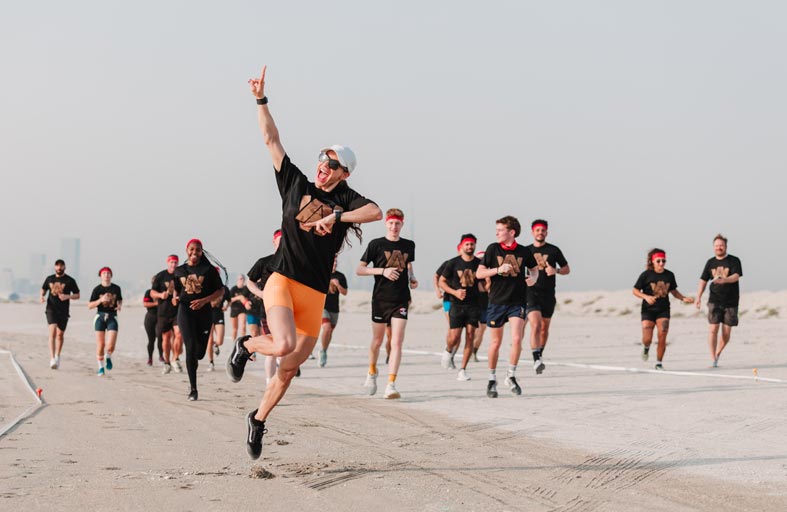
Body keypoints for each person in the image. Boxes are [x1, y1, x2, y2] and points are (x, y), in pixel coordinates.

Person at [226, 65, 382, 460]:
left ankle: (257, 418)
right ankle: (245, 344)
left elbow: (375, 212)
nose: (323, 165)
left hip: (314, 292)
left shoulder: (344, 199)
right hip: (283, 279)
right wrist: (261, 100)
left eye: (332, 163)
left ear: (344, 173)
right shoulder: (296, 183)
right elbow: (271, 138)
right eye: (322, 159)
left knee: (290, 366)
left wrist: (337, 217)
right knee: (282, 344)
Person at [357, 208, 418, 399]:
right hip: (380, 299)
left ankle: (391, 384)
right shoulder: (376, 244)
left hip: (401, 299)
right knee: (377, 341)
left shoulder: (409, 245)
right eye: (391, 223)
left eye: (397, 223)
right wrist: (382, 271)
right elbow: (360, 269)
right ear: (386, 224)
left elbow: (408, 264)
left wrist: (412, 277)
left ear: (402, 224)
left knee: (396, 342)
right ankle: (371, 372)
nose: (394, 227)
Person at [476, 216, 539, 398]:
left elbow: (534, 269)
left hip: (517, 302)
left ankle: (511, 376)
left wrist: (533, 278)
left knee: (517, 339)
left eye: (500, 230)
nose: (497, 233)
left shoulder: (524, 251)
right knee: (495, 342)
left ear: (511, 232)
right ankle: (491, 378)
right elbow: (479, 273)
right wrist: (498, 270)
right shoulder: (492, 249)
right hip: (496, 302)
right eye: (496, 230)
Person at [173, 239, 224, 400]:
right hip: (185, 311)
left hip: (204, 313)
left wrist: (204, 300)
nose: (194, 252)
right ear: (186, 250)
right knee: (190, 347)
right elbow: (176, 289)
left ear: (202, 252)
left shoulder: (209, 270)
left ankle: (195, 359)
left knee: (200, 353)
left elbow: (220, 290)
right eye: (192, 249)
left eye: (198, 250)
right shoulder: (179, 270)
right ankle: (193, 389)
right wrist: (175, 297)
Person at [632, 249, 693, 369]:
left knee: (662, 335)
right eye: (658, 261)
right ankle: (646, 347)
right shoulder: (646, 275)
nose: (661, 263)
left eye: (663, 261)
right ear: (652, 261)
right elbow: (635, 290)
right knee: (647, 338)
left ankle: (659, 363)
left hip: (663, 310)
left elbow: (673, 290)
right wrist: (646, 297)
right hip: (648, 310)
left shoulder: (669, 275)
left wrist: (683, 298)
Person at [525, 219, 570, 374]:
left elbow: (567, 269)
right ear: (532, 232)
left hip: (548, 295)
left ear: (547, 232)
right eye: (537, 230)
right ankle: (536, 358)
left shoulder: (554, 250)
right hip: (531, 293)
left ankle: (540, 354)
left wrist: (555, 271)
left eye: (543, 230)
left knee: (544, 329)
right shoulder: (526, 251)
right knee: (536, 325)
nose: (540, 233)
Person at [439, 234, 484, 381]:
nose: (470, 247)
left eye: (472, 244)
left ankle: (463, 369)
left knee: (470, 336)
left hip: (473, 305)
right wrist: (455, 292)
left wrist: (488, 285)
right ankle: (448, 351)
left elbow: (483, 284)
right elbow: (441, 281)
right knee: (454, 337)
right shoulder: (453, 263)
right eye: (467, 244)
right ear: (462, 246)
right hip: (456, 304)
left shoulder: (479, 263)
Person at [695, 234, 743, 368]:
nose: (719, 247)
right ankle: (712, 358)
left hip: (731, 301)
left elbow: (736, 276)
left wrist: (724, 280)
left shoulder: (734, 260)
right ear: (713, 247)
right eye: (716, 245)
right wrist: (698, 297)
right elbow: (703, 280)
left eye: (721, 245)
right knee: (713, 329)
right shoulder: (710, 262)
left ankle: (718, 353)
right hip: (714, 300)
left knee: (726, 333)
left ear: (726, 246)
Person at [244, 229, 282, 385]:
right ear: (274, 242)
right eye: (280, 240)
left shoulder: (294, 263)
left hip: (289, 310)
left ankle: (281, 367)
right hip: (268, 310)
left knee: (284, 347)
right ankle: (269, 384)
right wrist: (261, 294)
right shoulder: (264, 262)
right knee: (272, 349)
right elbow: (250, 281)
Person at [40, 259, 80, 369]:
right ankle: (52, 358)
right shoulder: (49, 279)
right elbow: (43, 289)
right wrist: (42, 296)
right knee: (52, 332)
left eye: (61, 266)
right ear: (55, 267)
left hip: (63, 311)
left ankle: (57, 355)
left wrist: (67, 296)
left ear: (64, 267)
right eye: (57, 266)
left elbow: (77, 295)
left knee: (60, 335)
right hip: (51, 309)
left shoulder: (70, 280)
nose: (59, 268)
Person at [87, 267, 123, 376]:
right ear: (100, 276)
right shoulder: (97, 289)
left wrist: (119, 305)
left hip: (112, 317)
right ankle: (101, 368)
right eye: (104, 273)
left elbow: (119, 299)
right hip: (100, 317)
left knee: (111, 345)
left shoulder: (116, 288)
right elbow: (90, 305)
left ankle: (108, 356)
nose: (106, 275)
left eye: (108, 273)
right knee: (101, 344)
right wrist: (101, 300)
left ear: (111, 275)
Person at [151, 255, 183, 374]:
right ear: (168, 263)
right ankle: (167, 362)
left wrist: (179, 297)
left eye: (175, 262)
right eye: (171, 262)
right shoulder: (160, 276)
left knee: (179, 334)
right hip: (164, 312)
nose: (173, 264)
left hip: (178, 311)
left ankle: (175, 359)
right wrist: (160, 295)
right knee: (166, 337)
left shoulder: (181, 275)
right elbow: (152, 292)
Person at [318, 256, 348, 367]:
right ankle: (322, 352)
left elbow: (345, 292)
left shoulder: (340, 276)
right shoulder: (322, 273)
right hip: (323, 307)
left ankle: (324, 350)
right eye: (333, 262)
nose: (335, 264)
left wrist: (337, 284)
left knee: (329, 332)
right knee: (327, 328)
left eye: (336, 262)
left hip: (334, 308)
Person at [207, 276, 231, 371]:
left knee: (220, 340)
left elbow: (229, 300)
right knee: (209, 340)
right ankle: (211, 362)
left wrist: (226, 307)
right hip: (208, 315)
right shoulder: (206, 287)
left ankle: (216, 345)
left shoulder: (224, 289)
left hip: (219, 315)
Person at [472, 251, 490, 363]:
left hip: (486, 305)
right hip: (473, 305)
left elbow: (488, 289)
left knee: (481, 330)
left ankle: (474, 352)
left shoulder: (490, 273)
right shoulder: (475, 274)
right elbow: (482, 289)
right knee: (473, 330)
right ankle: (469, 349)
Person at [142, 278, 161, 366]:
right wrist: (156, 304)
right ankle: (150, 358)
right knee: (151, 340)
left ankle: (161, 356)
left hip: (161, 318)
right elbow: (145, 304)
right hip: (150, 318)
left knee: (160, 336)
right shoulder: (148, 292)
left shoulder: (163, 293)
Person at [228, 275, 248, 341]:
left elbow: (248, 298)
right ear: (237, 280)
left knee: (243, 326)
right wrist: (238, 297)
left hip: (242, 310)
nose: (241, 280)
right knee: (235, 329)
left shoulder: (246, 289)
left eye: (242, 278)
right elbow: (229, 300)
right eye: (240, 279)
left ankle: (242, 342)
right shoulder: (234, 289)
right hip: (234, 310)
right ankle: (234, 342)